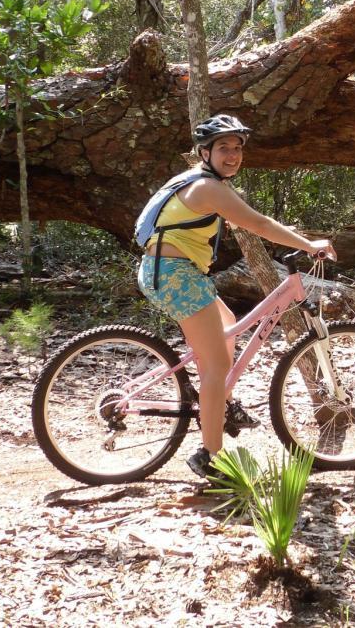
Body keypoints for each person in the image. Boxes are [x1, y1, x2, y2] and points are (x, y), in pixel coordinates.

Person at [135, 114, 336, 480]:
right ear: (204, 152)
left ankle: (222, 405)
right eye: (223, 148)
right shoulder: (208, 188)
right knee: (215, 368)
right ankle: (209, 456)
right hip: (174, 275)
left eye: (238, 148)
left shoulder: (198, 180)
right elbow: (258, 224)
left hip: (174, 273)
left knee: (229, 329)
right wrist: (308, 245)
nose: (233, 155)